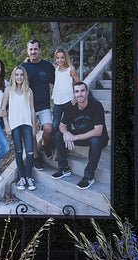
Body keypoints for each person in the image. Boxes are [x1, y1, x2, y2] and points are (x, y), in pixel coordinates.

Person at [57, 81, 109, 189]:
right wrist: (67, 134)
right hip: (82, 135)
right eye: (77, 91)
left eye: (82, 91)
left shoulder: (96, 105)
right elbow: (61, 125)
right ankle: (64, 168)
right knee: (59, 135)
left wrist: (74, 137)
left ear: (87, 92)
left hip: (98, 137)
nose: (79, 94)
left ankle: (88, 176)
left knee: (95, 141)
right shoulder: (71, 106)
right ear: (74, 94)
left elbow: (98, 131)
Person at [1, 66, 37, 191]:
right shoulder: (9, 90)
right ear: (13, 76)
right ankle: (21, 178)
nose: (19, 77)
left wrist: (34, 126)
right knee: (18, 151)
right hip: (15, 125)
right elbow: (3, 109)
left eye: (21, 75)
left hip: (27, 125)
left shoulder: (29, 91)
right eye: (17, 75)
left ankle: (29, 177)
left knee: (30, 152)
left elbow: (32, 109)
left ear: (24, 76)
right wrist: (6, 125)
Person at [22, 38, 55, 170]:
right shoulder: (23, 67)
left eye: (36, 49)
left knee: (48, 129)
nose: (33, 52)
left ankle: (45, 144)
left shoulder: (47, 66)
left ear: (40, 50)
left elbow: (56, 83)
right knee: (31, 133)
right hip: (28, 107)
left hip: (44, 106)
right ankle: (36, 157)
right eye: (31, 49)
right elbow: (16, 85)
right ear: (27, 51)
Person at [51, 48, 80, 178]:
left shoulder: (70, 70)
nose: (60, 60)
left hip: (68, 101)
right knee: (55, 125)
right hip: (58, 101)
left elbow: (79, 83)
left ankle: (61, 150)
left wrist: (76, 98)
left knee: (66, 126)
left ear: (66, 58)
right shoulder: (56, 68)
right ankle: (58, 149)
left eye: (62, 57)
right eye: (57, 58)